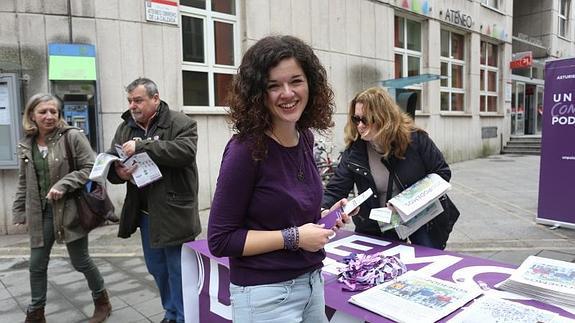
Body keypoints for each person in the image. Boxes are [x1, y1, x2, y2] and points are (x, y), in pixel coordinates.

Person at [208, 35, 353, 322]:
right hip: (265, 295)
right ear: (257, 94)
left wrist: (325, 218)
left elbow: (287, 214)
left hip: (312, 283)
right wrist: (296, 237)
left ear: (311, 83)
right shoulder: (245, 149)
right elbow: (221, 240)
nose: (287, 93)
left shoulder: (305, 138)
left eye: (296, 81)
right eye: (273, 85)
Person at [107, 78, 200, 323]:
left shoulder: (181, 122)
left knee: (179, 270)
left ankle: (185, 317)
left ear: (155, 99)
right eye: (130, 101)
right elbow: (112, 158)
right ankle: (171, 313)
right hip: (146, 213)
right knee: (157, 269)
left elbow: (185, 152)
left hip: (174, 211)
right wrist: (118, 172)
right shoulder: (126, 126)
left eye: (138, 100)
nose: (133, 106)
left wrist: (142, 146)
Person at [12, 93, 111, 323]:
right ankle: (36, 312)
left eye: (53, 111)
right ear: (32, 116)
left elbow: (91, 167)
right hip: (41, 212)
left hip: (70, 210)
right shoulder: (27, 144)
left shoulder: (72, 136)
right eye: (43, 112)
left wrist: (63, 184)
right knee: (36, 264)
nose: (49, 116)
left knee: (80, 261)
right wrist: (19, 210)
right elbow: (23, 180)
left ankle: (102, 300)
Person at [322, 87, 455, 250]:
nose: (360, 126)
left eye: (366, 120)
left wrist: (405, 202)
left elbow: (442, 172)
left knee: (427, 263)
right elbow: (335, 190)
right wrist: (323, 210)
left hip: (421, 220)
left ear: (383, 119)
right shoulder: (355, 151)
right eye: (356, 119)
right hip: (377, 225)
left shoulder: (415, 139)